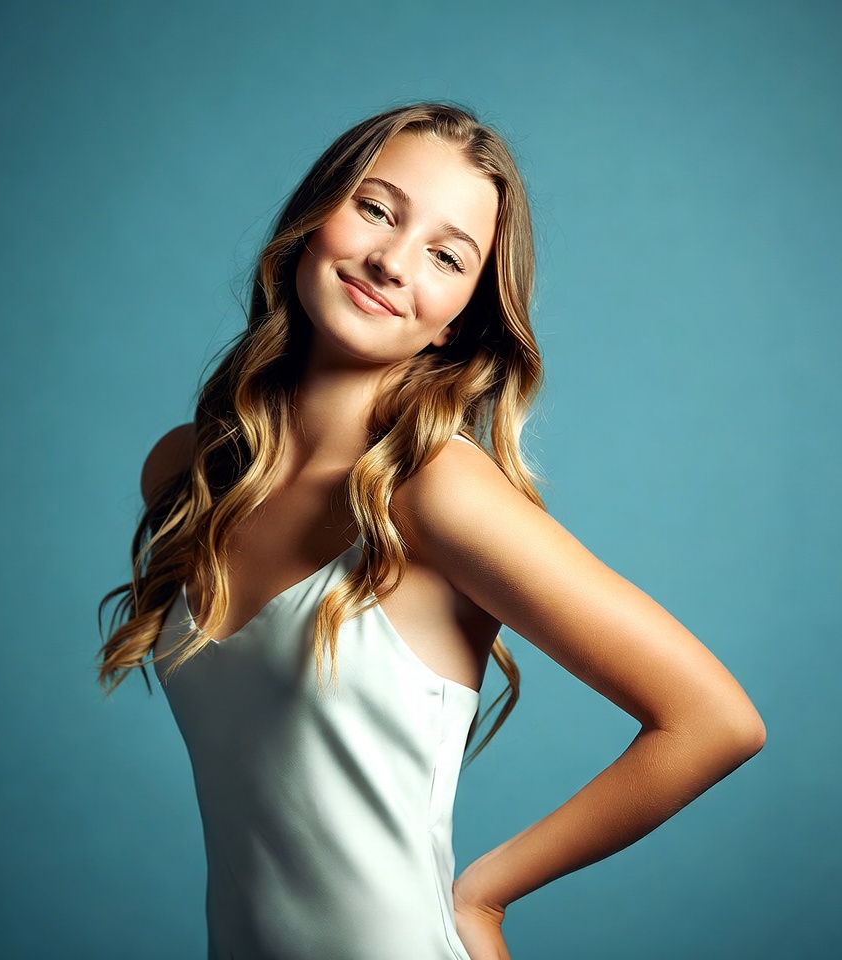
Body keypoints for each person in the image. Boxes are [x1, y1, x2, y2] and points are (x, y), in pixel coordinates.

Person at [98, 102, 765, 960]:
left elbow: (714, 720)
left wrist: (484, 896)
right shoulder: (185, 474)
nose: (391, 261)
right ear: (311, 220)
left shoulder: (434, 489)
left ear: (458, 316)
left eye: (446, 256)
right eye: (376, 209)